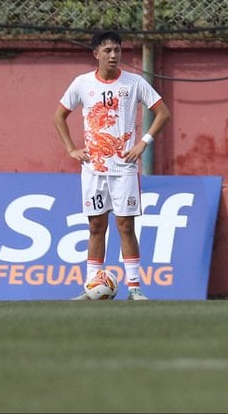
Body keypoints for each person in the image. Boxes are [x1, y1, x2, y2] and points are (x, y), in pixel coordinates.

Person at [54, 30, 171, 301]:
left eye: (117, 50)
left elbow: (163, 112)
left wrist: (143, 143)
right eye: (107, 50)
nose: (114, 55)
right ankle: (91, 286)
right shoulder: (82, 84)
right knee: (96, 226)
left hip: (124, 169)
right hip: (93, 170)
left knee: (125, 226)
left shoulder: (134, 83)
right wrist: (71, 149)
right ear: (96, 54)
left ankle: (134, 288)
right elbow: (59, 115)